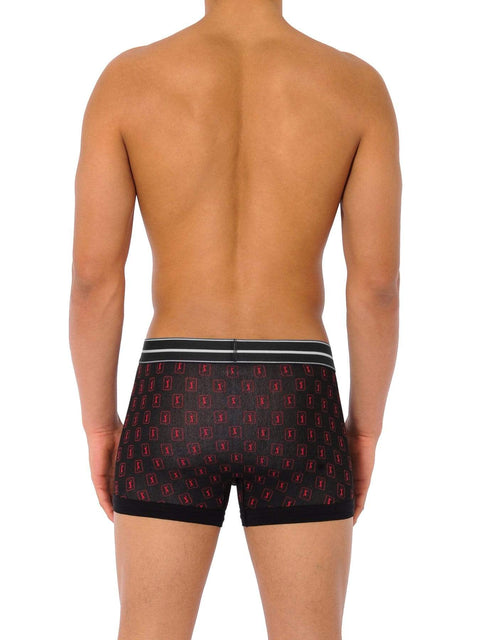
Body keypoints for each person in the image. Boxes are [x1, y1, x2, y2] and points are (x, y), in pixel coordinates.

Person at [69, 0, 401, 637]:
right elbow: (377, 288)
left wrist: (99, 423)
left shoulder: (128, 80)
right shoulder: (356, 86)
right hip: (298, 397)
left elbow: (93, 280)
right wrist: (364, 430)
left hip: (173, 395)